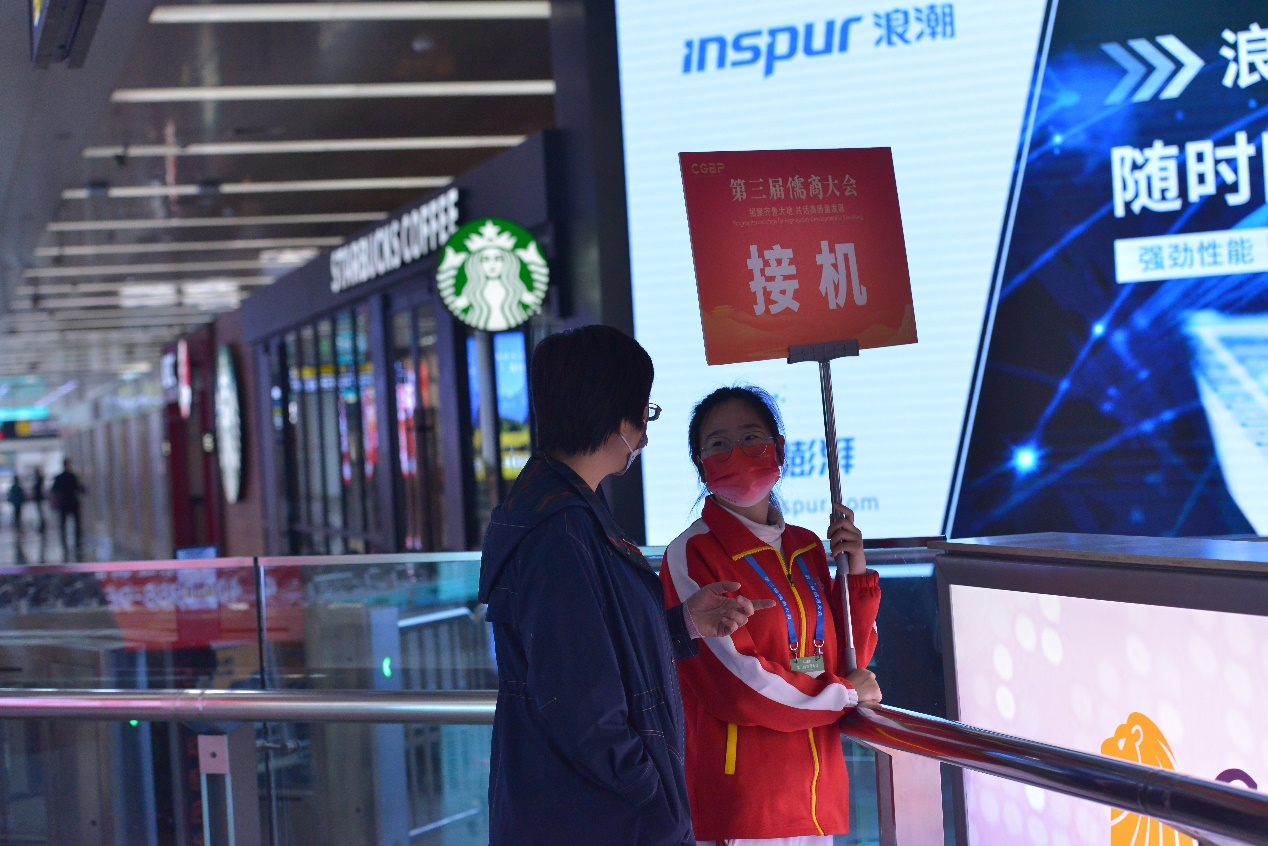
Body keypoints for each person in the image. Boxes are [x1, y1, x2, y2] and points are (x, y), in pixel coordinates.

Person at [478, 326, 775, 846]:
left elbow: (589, 648)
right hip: (603, 818)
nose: (644, 433)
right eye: (645, 413)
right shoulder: (560, 531)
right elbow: (584, 709)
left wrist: (682, 624)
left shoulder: (559, 510)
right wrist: (656, 799)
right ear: (618, 420)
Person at [661, 386, 883, 846]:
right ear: (701, 464)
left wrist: (856, 573)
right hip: (744, 806)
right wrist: (842, 695)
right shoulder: (691, 553)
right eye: (718, 444)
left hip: (816, 799)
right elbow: (736, 686)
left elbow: (850, 659)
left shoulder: (807, 546)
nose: (737, 453)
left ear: (778, 448)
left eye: (750, 437)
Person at [50, 459, 84, 558]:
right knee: (75, 523)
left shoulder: (60, 477)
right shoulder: (72, 476)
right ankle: (77, 541)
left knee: (64, 523)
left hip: (64, 503)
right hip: (71, 502)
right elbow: (78, 488)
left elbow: (54, 490)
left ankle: (65, 540)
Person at [29, 467, 45, 534]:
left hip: (39, 498)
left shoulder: (39, 480)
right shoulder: (38, 480)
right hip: (38, 498)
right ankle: (42, 525)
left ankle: (42, 525)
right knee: (40, 513)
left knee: (40, 513)